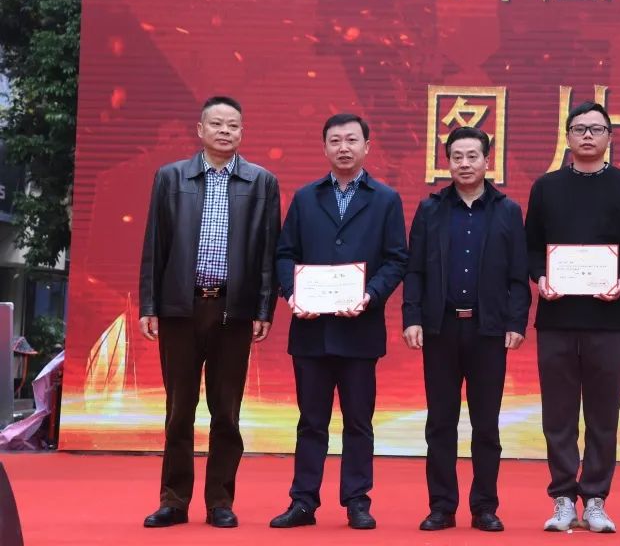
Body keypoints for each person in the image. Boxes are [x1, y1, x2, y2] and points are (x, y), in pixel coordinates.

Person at [139, 95, 281, 529]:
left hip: (233, 311)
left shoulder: (262, 182)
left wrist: (264, 307)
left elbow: (268, 252)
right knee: (179, 410)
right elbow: (155, 245)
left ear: (242, 132)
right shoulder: (171, 177)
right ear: (200, 130)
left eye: (233, 125)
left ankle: (220, 500)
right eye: (216, 124)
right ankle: (173, 500)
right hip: (180, 309)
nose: (225, 131)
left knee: (227, 412)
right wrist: (150, 305)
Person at [524, 101, 620, 533]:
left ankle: (596, 498)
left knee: (604, 417)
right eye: (579, 128)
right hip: (557, 319)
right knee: (558, 416)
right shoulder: (546, 188)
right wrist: (540, 277)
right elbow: (529, 247)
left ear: (609, 137)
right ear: (566, 136)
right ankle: (563, 497)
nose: (587, 135)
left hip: (610, 320)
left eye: (596, 129)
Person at [269, 113, 408, 530]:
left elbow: (397, 259)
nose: (343, 147)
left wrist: (370, 295)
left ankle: (357, 501)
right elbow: (284, 254)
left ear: (367, 146)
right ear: (325, 147)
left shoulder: (385, 199)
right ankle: (303, 502)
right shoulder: (305, 197)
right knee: (310, 422)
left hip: (360, 329)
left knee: (358, 422)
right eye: (335, 140)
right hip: (311, 329)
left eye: (351, 140)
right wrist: (293, 294)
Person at [401, 126, 531, 533]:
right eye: (456, 156)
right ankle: (441, 507)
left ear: (487, 160)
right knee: (440, 423)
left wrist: (516, 321)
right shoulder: (431, 209)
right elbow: (415, 270)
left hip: (487, 330)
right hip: (440, 329)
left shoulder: (507, 210)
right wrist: (412, 317)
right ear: (447, 162)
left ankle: (484, 507)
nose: (464, 163)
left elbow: (518, 275)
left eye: (472, 156)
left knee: (486, 425)